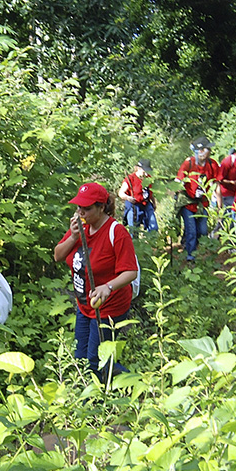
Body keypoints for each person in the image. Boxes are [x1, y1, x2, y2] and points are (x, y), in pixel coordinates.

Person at [54, 182, 138, 384]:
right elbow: (58, 255)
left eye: (87, 208)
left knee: (96, 359)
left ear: (101, 207)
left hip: (109, 306)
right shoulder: (80, 228)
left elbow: (131, 271)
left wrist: (107, 287)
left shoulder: (116, 232)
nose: (81, 212)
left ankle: (129, 384)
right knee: (80, 356)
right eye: (79, 207)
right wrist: (74, 236)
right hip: (84, 305)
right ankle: (92, 392)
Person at [175, 137, 220, 261]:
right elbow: (178, 180)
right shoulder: (188, 163)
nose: (209, 151)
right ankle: (190, 257)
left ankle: (190, 247)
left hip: (202, 203)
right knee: (192, 231)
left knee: (202, 231)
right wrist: (179, 186)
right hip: (188, 203)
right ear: (200, 150)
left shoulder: (212, 164)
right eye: (207, 149)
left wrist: (218, 205)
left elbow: (216, 185)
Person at [118, 159, 158, 232]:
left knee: (153, 227)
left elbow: (150, 192)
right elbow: (121, 193)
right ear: (139, 168)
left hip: (146, 204)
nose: (146, 173)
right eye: (144, 171)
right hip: (134, 205)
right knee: (134, 229)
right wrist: (128, 198)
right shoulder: (131, 179)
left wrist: (154, 203)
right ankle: (134, 242)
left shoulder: (148, 178)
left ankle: (152, 241)